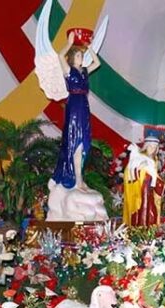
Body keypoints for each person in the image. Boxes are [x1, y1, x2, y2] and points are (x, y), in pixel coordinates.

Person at [53, 32, 101, 191]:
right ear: (73, 58)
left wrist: (90, 48)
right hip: (73, 106)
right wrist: (69, 43)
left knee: (84, 142)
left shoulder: (85, 71)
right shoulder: (69, 70)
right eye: (80, 55)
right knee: (75, 141)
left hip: (84, 107)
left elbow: (97, 62)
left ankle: (80, 178)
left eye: (82, 55)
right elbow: (60, 56)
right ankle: (77, 180)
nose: (82, 57)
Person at [123, 137, 165, 226]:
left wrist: (160, 183)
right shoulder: (139, 157)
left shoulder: (154, 160)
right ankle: (139, 229)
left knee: (150, 210)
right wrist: (139, 169)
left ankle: (149, 228)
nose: (152, 149)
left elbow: (155, 176)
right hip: (140, 190)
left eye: (154, 147)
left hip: (149, 190)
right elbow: (129, 172)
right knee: (141, 210)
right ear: (146, 146)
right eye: (150, 146)